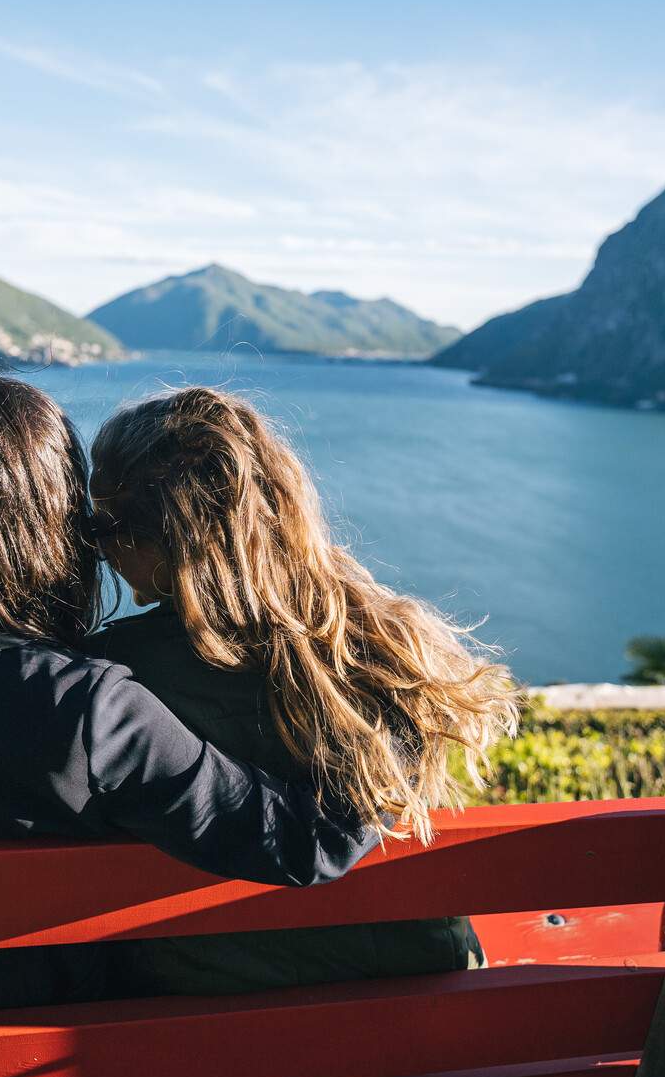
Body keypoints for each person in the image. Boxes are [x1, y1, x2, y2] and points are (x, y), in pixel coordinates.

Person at [0, 375, 377, 1022]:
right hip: (33, 1067)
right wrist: (387, 713)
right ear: (54, 521)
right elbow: (309, 841)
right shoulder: (88, 708)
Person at [87, 386, 520, 997]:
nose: (99, 548)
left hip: (208, 1023)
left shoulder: (113, 681)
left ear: (163, 534)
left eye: (103, 524)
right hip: (418, 1002)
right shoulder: (384, 645)